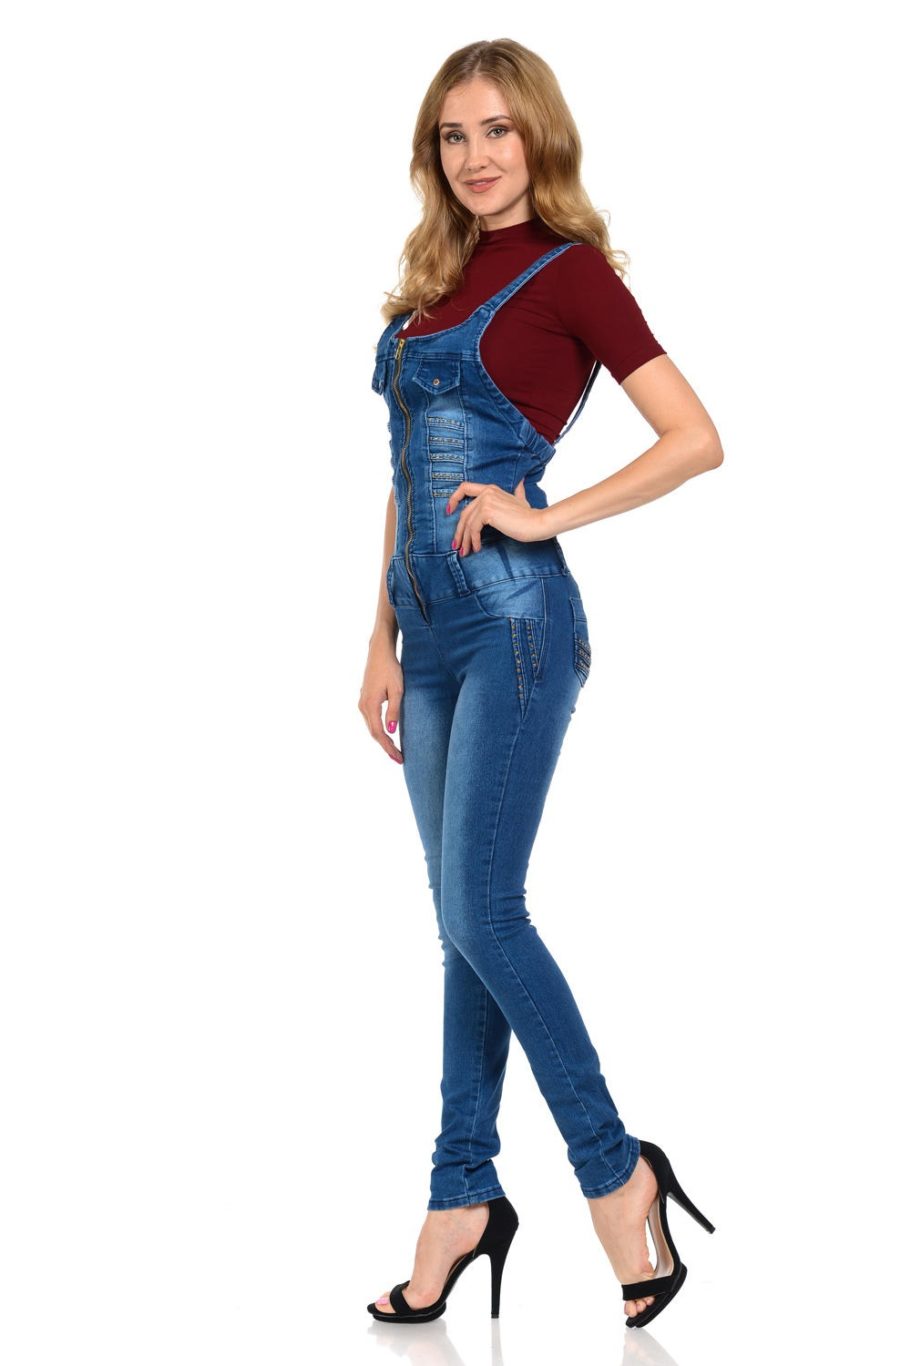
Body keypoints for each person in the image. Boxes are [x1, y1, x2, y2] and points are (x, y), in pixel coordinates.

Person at [359, 38, 721, 1331]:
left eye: (498, 130)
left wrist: (543, 513)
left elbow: (696, 438)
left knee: (484, 909)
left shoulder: (571, 275)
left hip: (516, 623)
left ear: (539, 137)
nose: (477, 156)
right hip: (427, 638)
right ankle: (461, 1193)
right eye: (453, 136)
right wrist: (378, 636)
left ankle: (616, 1175)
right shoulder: (426, 289)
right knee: (462, 922)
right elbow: (403, 477)